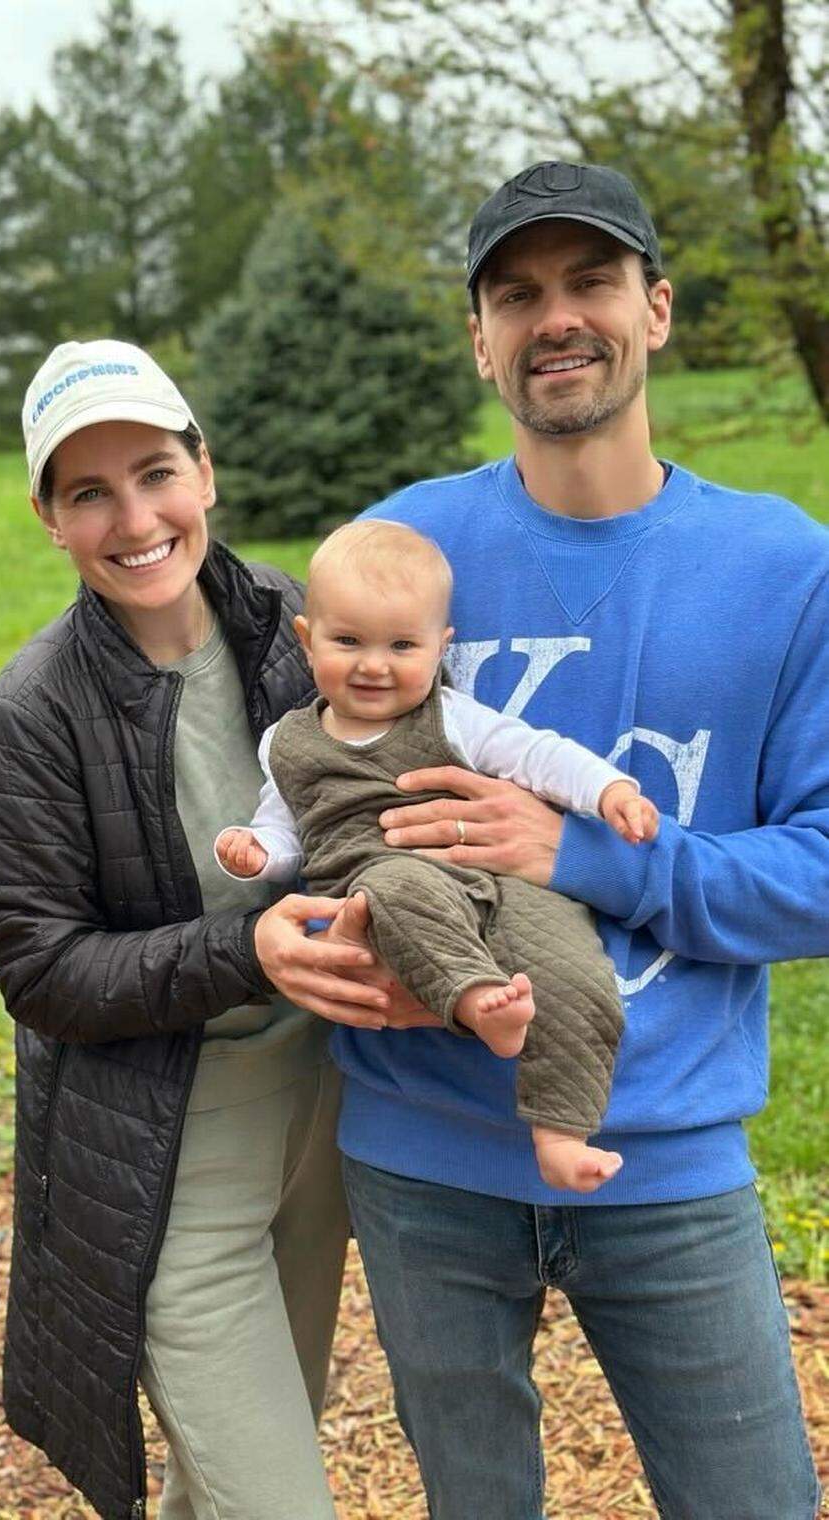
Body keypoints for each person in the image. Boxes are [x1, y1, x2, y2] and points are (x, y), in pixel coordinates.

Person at [325, 163, 827, 1517]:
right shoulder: (397, 555)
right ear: (478, 338)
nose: (557, 316)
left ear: (655, 309)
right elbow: (319, 806)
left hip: (667, 1152)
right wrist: (299, 932)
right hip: (422, 1150)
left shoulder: (785, 568)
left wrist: (590, 854)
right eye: (517, 292)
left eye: (590, 281)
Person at [0, 339, 399, 1520]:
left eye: (156, 471)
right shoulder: (29, 715)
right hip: (170, 1144)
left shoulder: (299, 626)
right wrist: (244, 947)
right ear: (47, 515)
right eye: (89, 490)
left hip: (322, 1106)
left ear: (205, 470)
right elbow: (40, 968)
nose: (134, 517)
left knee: (229, 1477)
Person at [215, 518, 659, 1192]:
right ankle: (479, 999)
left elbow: (536, 755)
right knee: (393, 888)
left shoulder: (451, 716)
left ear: (439, 646)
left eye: (401, 645)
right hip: (385, 893)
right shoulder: (289, 742)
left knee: (576, 969)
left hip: (500, 885)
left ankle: (561, 1133)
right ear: (307, 641)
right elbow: (285, 833)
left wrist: (609, 789)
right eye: (348, 641)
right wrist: (256, 852)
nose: (373, 664)